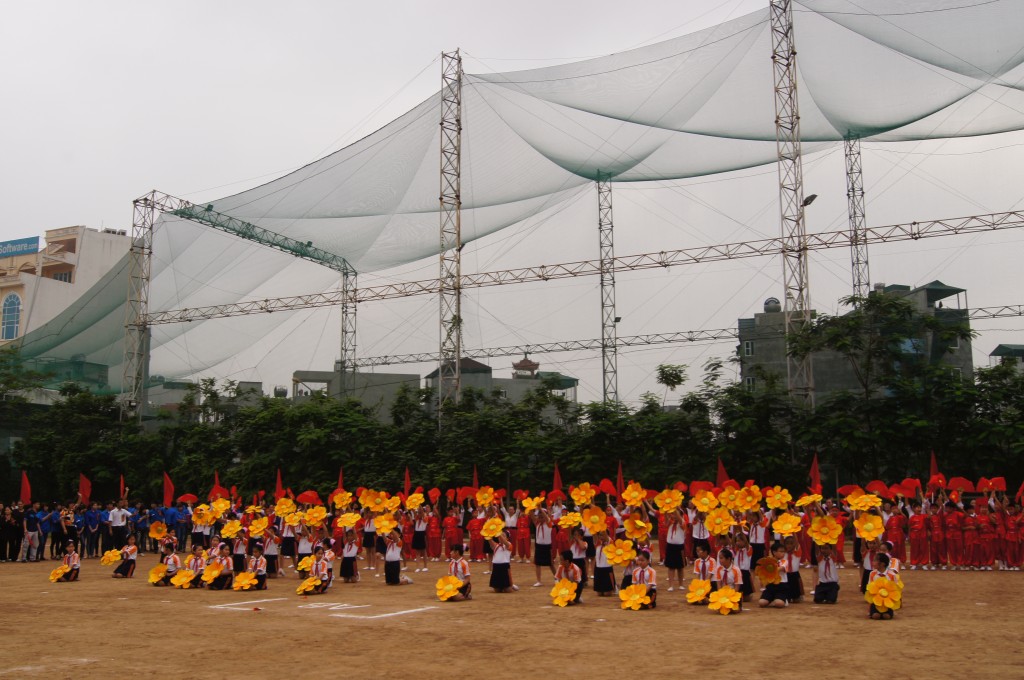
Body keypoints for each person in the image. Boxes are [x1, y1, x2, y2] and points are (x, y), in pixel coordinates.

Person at [758, 542, 789, 608]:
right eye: (781, 551)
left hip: (781, 586)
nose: (783, 553)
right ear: (774, 552)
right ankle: (773, 599)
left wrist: (769, 568)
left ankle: (783, 599)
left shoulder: (785, 561)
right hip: (770, 585)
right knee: (761, 603)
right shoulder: (768, 560)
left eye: (784, 551)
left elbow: (779, 569)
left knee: (779, 604)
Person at [867, 552, 898, 620]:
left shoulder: (892, 575)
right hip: (876, 601)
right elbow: (870, 590)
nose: (873, 562)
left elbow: (895, 590)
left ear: (882, 564)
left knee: (886, 616)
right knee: (876, 616)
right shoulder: (872, 574)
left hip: (887, 601)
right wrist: (869, 607)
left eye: (875, 561)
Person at [532, 507, 555, 586]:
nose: (541, 518)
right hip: (539, 546)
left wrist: (540, 509)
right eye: (539, 516)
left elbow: (546, 517)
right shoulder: (537, 524)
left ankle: (557, 578)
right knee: (537, 564)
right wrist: (530, 507)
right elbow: (532, 516)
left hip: (547, 546)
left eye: (542, 516)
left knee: (551, 564)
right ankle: (539, 581)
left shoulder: (549, 523)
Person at [592, 530, 616, 597]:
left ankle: (614, 587)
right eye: (600, 535)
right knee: (599, 594)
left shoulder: (610, 542)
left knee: (607, 594)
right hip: (598, 568)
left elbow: (607, 538)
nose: (601, 537)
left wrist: (603, 528)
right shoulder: (597, 542)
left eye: (603, 535)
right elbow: (593, 533)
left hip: (607, 568)